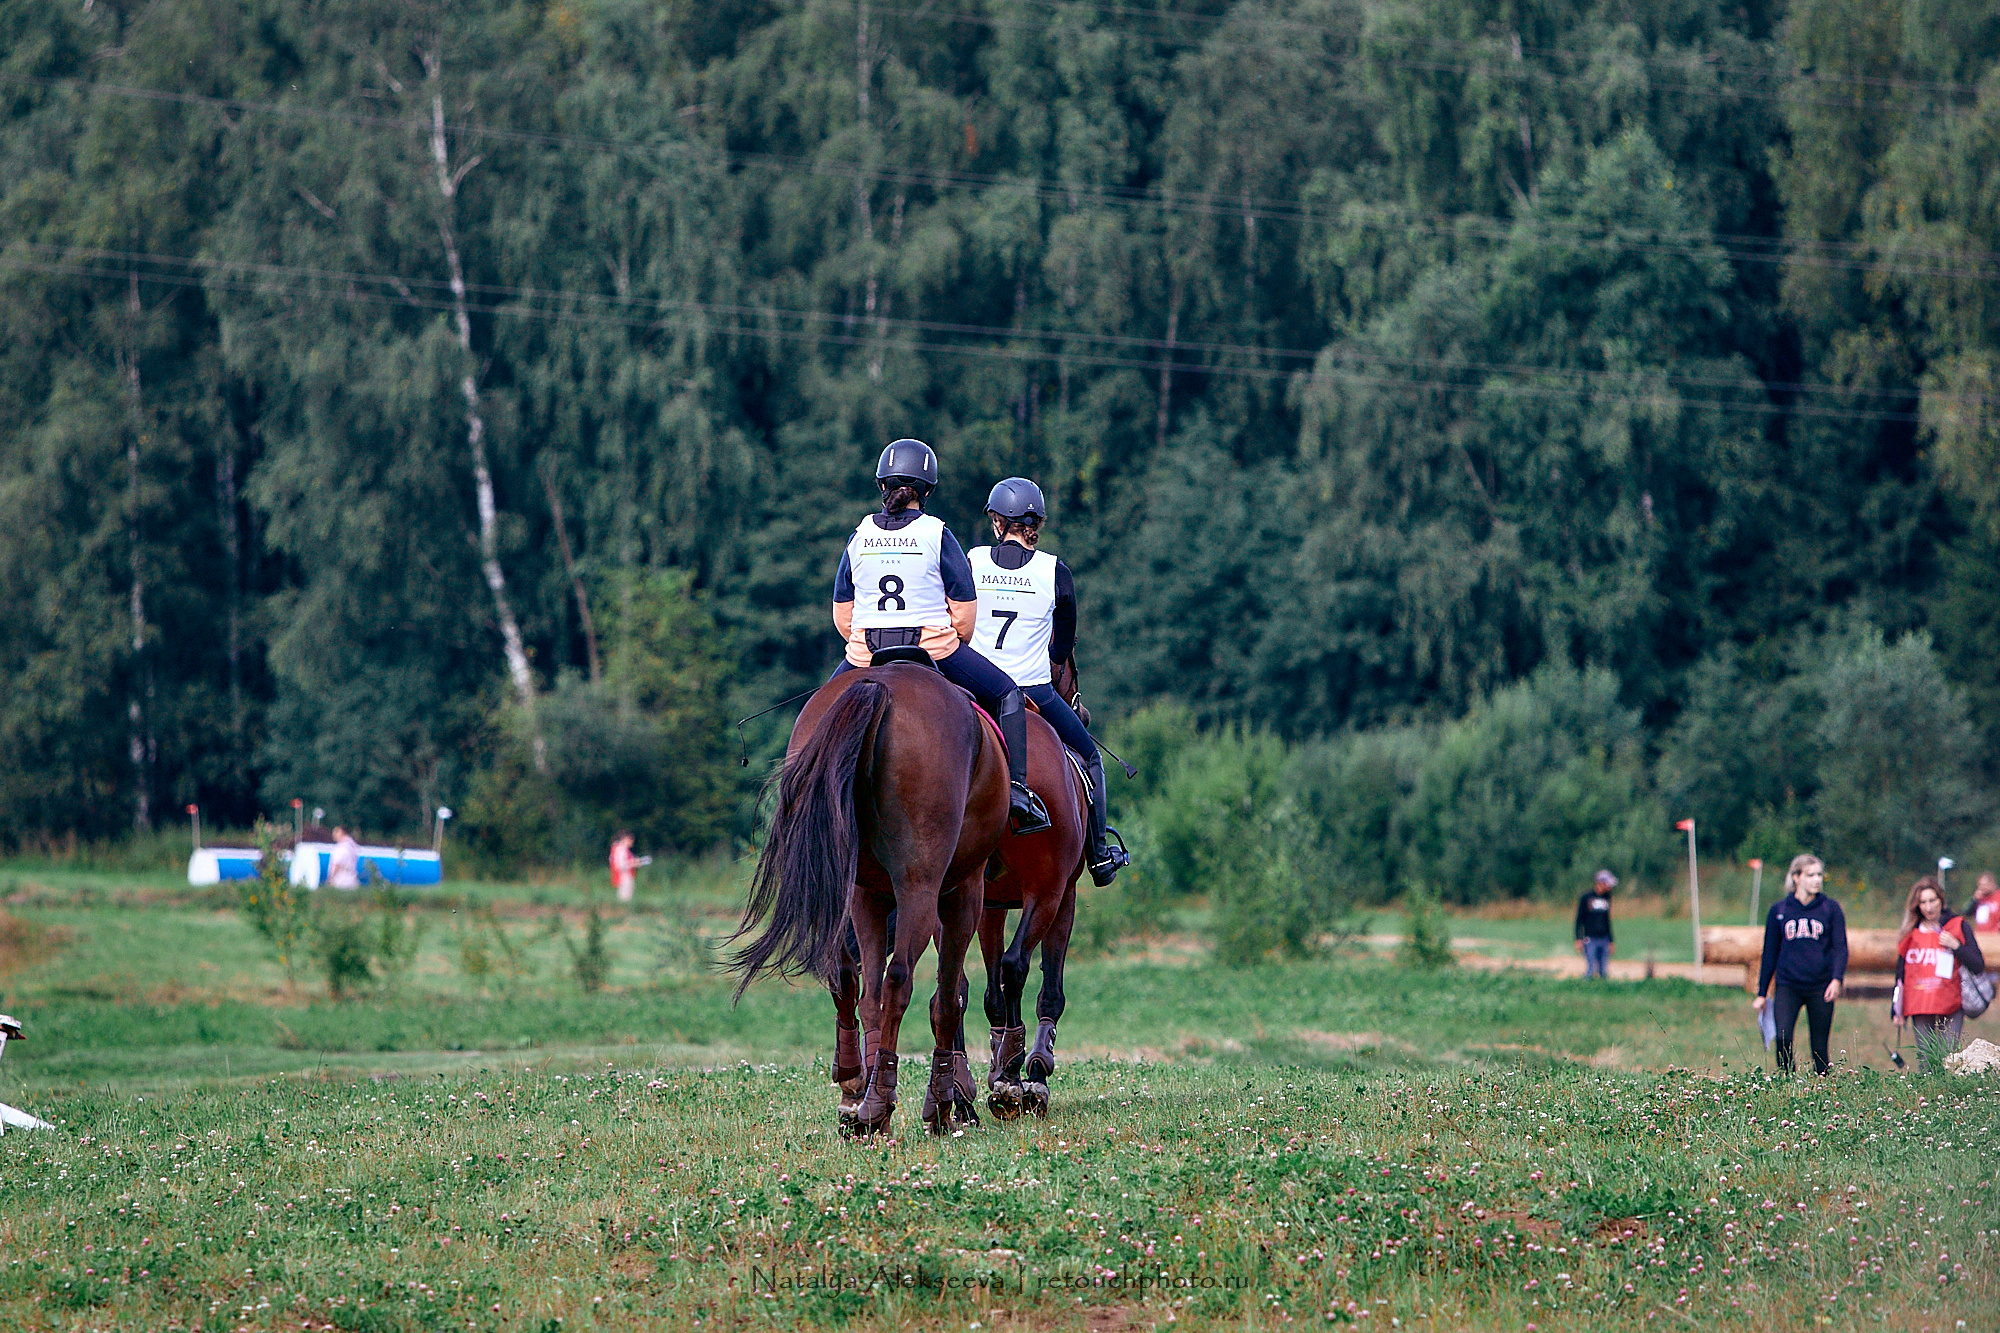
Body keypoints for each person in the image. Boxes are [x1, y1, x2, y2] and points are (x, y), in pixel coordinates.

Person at [829, 439, 1049, 832]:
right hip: (933, 649)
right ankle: (1018, 792)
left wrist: (862, 642)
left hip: (865, 653)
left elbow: (842, 612)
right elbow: (964, 611)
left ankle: (797, 789)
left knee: (822, 711)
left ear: (882, 485)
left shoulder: (858, 535)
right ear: (926, 490)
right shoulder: (937, 533)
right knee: (1008, 694)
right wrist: (951, 639)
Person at [968, 477, 1130, 885]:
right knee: (1089, 757)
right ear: (1035, 524)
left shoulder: (973, 561)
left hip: (975, 686)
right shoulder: (1055, 572)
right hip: (1034, 689)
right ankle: (1099, 857)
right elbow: (1061, 648)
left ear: (997, 522)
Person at [1753, 853, 1848, 1075]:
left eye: (1819, 875)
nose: (1817, 880)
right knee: (1783, 1037)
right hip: (1788, 985)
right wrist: (1762, 993)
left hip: (1820, 986)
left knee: (1819, 1046)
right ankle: (1787, 1082)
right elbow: (1769, 953)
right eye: (1810, 875)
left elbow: (1840, 948)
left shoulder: (1830, 909)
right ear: (1796, 877)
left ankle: (1824, 1086)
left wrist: (1836, 979)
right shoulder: (1779, 910)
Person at [1894, 875, 1985, 1070]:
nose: (1928, 907)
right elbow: (1901, 972)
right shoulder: (1911, 932)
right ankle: (1927, 1091)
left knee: (1948, 1060)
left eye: (1932, 900)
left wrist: (1956, 946)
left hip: (1951, 1001)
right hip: (1920, 1002)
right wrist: (1896, 1008)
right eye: (1923, 902)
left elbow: (1978, 964)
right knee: (1926, 1061)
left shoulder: (1957, 926)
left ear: (1941, 900)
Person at [1573, 869, 1616, 978]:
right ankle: (1586, 986)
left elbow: (1607, 920)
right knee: (1591, 969)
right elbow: (1579, 919)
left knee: (1603, 971)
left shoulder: (1607, 898)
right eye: (1608, 884)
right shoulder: (1586, 897)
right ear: (1600, 883)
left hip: (1604, 939)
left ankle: (1603, 987)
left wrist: (1611, 941)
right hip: (1590, 939)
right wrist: (1578, 938)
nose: (1610, 887)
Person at [609, 832, 652, 903]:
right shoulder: (621, 850)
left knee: (626, 896)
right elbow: (621, 866)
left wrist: (636, 861)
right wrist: (634, 864)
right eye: (630, 840)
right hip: (624, 876)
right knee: (625, 898)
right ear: (624, 839)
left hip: (626, 875)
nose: (632, 842)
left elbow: (625, 862)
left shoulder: (622, 849)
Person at [1972, 871, 2000, 936]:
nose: (1982, 888)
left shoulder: (1998, 896)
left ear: (1992, 884)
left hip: (1994, 934)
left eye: (1984, 885)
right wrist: (1974, 900)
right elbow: (1966, 912)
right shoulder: (1980, 898)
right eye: (1980, 885)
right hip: (1980, 934)